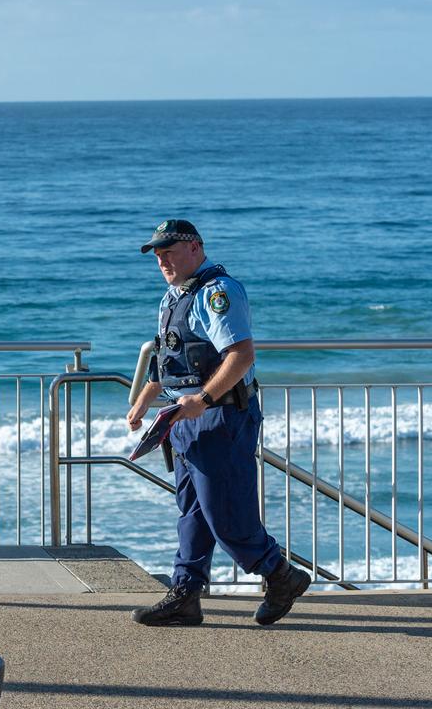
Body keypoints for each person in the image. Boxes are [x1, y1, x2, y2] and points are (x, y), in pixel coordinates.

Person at [126, 219, 310, 627]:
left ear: (195, 247)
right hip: (184, 418)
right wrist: (142, 402)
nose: (162, 260)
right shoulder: (173, 297)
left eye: (169, 251)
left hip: (221, 415)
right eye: (158, 255)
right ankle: (186, 594)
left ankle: (280, 574)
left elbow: (240, 354)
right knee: (191, 510)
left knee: (223, 511)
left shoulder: (217, 292)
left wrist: (205, 398)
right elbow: (165, 360)